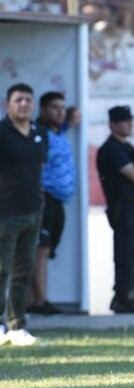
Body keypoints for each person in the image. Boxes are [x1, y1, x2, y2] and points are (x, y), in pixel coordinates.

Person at [0, 83, 47, 346]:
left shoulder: (40, 133)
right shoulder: (1, 132)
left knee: (23, 270)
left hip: (32, 211)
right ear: (8, 103)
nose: (24, 104)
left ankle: (17, 326)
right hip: (4, 212)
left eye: (28, 99)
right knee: (0, 269)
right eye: (18, 99)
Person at [26, 92, 76, 316]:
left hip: (58, 202)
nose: (60, 112)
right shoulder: (37, 134)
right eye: (54, 107)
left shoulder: (58, 132)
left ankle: (32, 299)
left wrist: (69, 122)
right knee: (40, 250)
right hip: (44, 199)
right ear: (43, 110)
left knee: (45, 250)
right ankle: (39, 300)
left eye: (62, 108)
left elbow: (62, 126)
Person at [96, 106, 134, 314]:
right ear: (113, 125)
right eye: (124, 121)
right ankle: (121, 297)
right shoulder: (111, 149)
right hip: (122, 208)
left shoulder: (127, 148)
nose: (128, 125)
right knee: (126, 254)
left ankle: (127, 295)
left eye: (129, 121)